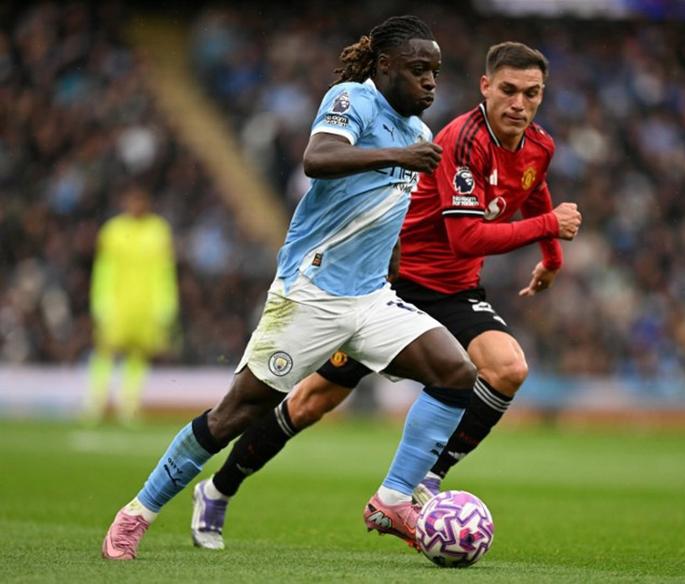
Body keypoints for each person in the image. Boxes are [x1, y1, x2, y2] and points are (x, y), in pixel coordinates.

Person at [101, 15, 479, 560]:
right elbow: (317, 159)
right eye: (419, 69)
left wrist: (394, 254)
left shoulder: (418, 134)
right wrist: (398, 157)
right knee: (235, 415)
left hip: (370, 298)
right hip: (311, 293)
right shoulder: (352, 99)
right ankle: (137, 512)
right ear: (385, 66)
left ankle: (394, 500)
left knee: (457, 373)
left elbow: (385, 203)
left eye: (436, 72)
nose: (430, 82)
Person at [191, 41, 582, 551]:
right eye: (509, 90)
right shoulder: (461, 141)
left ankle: (423, 481)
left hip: (455, 290)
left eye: (532, 94)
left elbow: (533, 188)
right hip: (390, 285)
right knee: (311, 402)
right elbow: (466, 237)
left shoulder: (540, 145)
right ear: (485, 87)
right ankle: (217, 489)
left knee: (508, 368)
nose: (519, 103)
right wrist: (548, 227)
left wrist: (552, 258)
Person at [84, 186, 178, 425]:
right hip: (118, 303)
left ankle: (129, 405)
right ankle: (96, 401)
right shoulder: (113, 231)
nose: (136, 205)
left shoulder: (158, 230)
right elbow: (104, 268)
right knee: (105, 350)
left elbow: (164, 270)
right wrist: (101, 300)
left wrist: (165, 303)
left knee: (138, 354)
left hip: (146, 305)